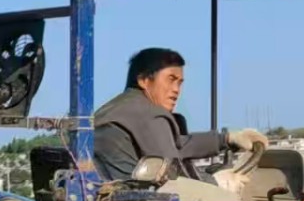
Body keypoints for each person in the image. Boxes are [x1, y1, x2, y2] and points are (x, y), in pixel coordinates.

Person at [93, 47, 266, 182]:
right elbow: (173, 175)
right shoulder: (148, 114)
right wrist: (217, 183)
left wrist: (227, 139)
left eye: (180, 83)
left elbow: (176, 145)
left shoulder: (121, 107)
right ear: (144, 80)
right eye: (170, 79)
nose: (176, 90)